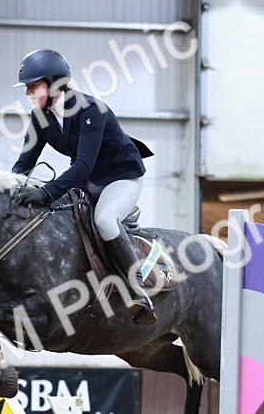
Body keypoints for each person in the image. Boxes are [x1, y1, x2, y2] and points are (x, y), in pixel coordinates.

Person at [9, 49, 157, 325]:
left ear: (55, 84)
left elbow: (82, 166)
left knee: (104, 219)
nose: (28, 93)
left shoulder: (91, 110)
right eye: (26, 88)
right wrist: (7, 190)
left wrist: (45, 192)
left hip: (119, 178)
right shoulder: (40, 117)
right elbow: (24, 163)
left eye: (33, 86)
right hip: (88, 183)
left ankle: (137, 288)